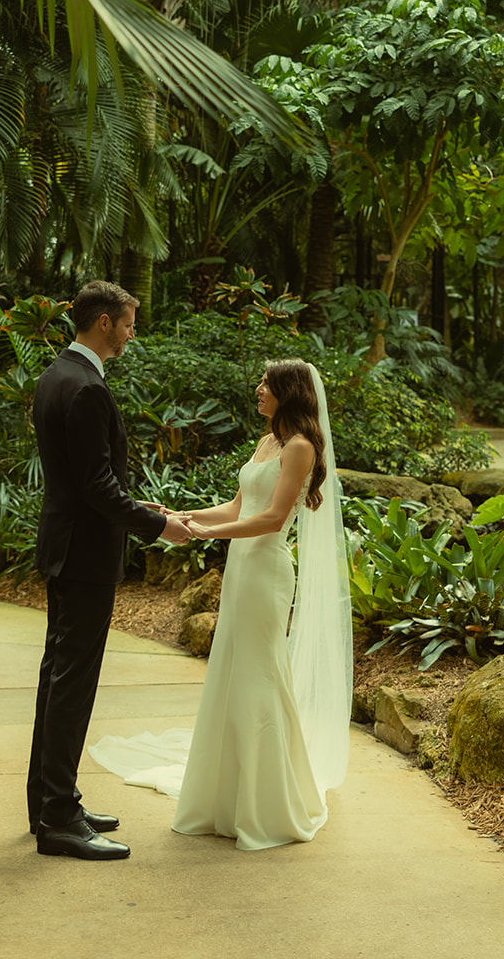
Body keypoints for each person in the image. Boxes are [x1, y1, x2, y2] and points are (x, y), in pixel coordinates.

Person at [90, 358, 352, 851]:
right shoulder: (267, 442)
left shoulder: (299, 448)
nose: (257, 389)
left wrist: (209, 534)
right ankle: (228, 798)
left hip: (266, 573)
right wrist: (183, 516)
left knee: (260, 676)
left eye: (266, 383)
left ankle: (267, 802)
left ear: (288, 392)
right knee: (233, 673)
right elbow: (239, 507)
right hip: (241, 572)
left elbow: (273, 519)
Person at [27, 280, 191, 862]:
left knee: (57, 679)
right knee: (72, 685)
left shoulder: (55, 375)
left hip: (65, 549)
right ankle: (59, 822)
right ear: (103, 322)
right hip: (86, 556)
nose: (131, 332)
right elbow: (98, 486)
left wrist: (145, 509)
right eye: (127, 323)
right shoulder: (88, 388)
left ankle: (50, 800)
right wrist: (155, 524)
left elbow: (80, 480)